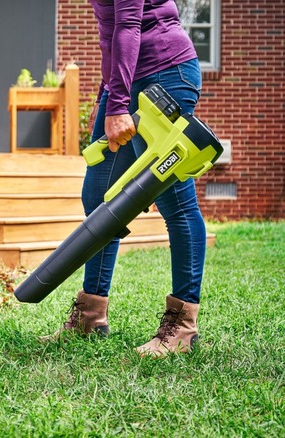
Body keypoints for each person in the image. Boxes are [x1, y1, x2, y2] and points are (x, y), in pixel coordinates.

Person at [42, 0, 206, 357]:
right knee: (99, 196)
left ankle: (183, 328)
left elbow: (129, 24)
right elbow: (111, 32)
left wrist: (116, 106)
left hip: (165, 75)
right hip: (128, 81)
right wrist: (107, 98)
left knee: (176, 201)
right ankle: (90, 316)